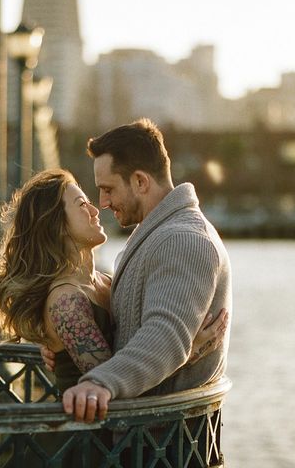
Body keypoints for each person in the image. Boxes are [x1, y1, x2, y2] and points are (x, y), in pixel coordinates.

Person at [46, 118, 233, 425]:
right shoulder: (157, 234)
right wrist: (62, 347)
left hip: (164, 445)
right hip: (145, 438)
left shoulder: (182, 239)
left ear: (140, 182)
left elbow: (166, 335)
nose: (102, 203)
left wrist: (99, 382)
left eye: (108, 189)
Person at [0, 168, 228, 397]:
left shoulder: (106, 282)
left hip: (118, 437)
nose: (95, 210)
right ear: (57, 226)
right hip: (87, 438)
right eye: (82, 205)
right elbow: (114, 390)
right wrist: (188, 350)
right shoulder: (66, 302)